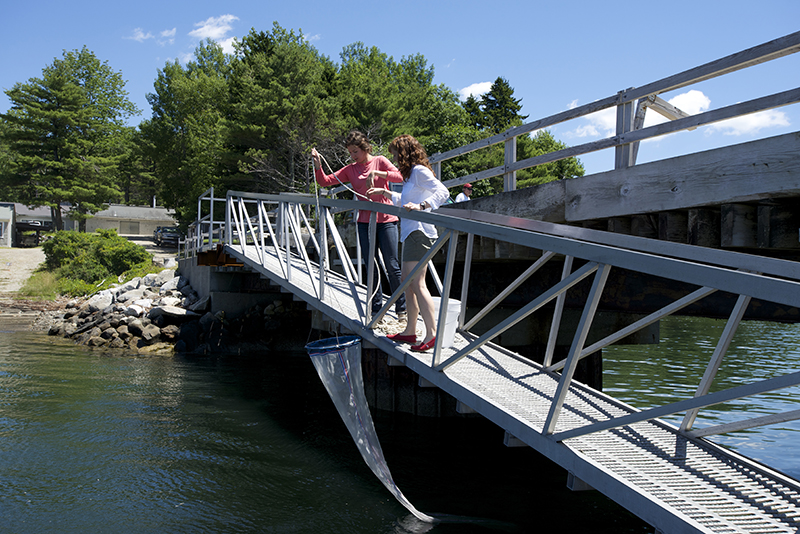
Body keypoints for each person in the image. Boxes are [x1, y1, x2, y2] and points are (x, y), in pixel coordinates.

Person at [367, 135, 450, 352]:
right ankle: (410, 330)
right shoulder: (410, 175)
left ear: (404, 153)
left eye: (395, 154)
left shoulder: (420, 171)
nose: (394, 159)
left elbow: (443, 192)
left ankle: (432, 334)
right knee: (407, 281)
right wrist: (386, 193)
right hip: (410, 233)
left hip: (420, 233)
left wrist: (424, 205)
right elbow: (407, 202)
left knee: (416, 283)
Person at [311, 131, 406, 318]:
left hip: (386, 220)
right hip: (364, 221)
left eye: (355, 151)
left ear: (364, 147)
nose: (353, 156)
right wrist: (317, 165)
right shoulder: (350, 169)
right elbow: (324, 182)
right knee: (371, 264)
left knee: (392, 264)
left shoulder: (379, 160)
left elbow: (401, 177)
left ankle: (401, 308)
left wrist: (378, 173)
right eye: (350, 153)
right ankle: (375, 308)